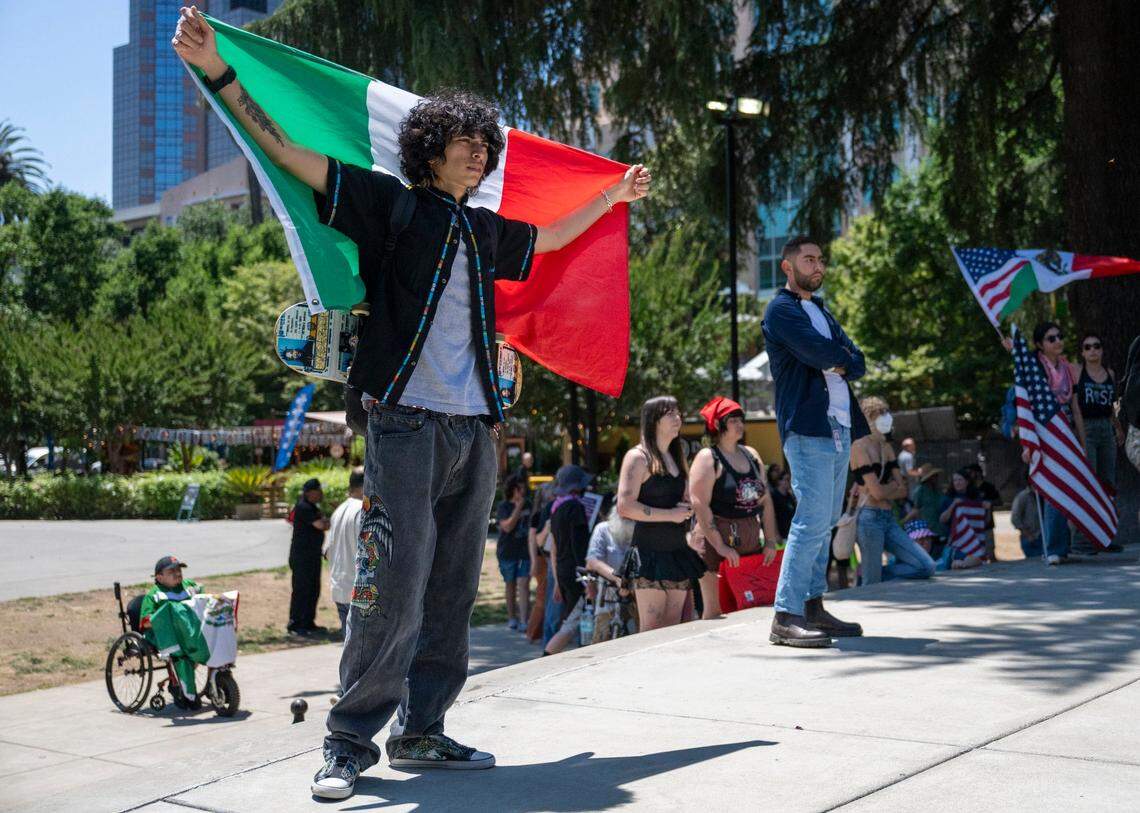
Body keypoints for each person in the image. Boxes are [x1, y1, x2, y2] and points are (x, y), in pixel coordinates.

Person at [172, 7, 652, 798]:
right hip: (402, 420)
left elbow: (554, 239)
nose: (478, 154)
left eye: (483, 146)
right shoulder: (388, 204)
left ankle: (423, 730)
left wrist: (612, 195)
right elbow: (291, 153)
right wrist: (220, 70)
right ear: (430, 148)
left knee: (455, 587)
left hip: (475, 429)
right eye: (466, 143)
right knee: (391, 581)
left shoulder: (483, 227)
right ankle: (348, 742)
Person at [761, 236, 867, 647]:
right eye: (809, 259)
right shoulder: (781, 310)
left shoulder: (821, 310)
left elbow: (856, 359)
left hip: (838, 426)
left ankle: (812, 606)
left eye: (821, 259)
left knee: (825, 521)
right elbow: (818, 352)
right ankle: (785, 616)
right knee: (810, 518)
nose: (818, 265)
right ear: (788, 267)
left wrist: (840, 357)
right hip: (807, 427)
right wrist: (836, 356)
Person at [616, 396, 705, 632]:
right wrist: (670, 514)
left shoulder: (675, 457)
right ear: (654, 420)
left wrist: (688, 506)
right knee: (652, 629)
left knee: (672, 629)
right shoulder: (638, 457)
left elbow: (678, 500)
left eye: (678, 412)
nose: (679, 418)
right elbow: (624, 506)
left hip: (677, 551)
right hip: (649, 554)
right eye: (671, 414)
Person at [689, 396, 779, 619]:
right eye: (733, 420)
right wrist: (720, 547)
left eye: (741, 419)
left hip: (748, 541)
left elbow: (765, 501)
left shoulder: (751, 455)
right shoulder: (708, 457)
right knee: (716, 612)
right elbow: (699, 504)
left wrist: (769, 540)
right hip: (714, 543)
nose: (740, 425)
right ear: (718, 425)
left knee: (752, 605)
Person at [1003, 323, 1083, 564]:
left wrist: (1082, 442)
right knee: (1053, 490)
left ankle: (1063, 546)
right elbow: (1024, 405)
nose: (1058, 341)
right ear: (1039, 344)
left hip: (1067, 433)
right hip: (1045, 434)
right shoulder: (1035, 368)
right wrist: (1028, 444)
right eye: (1051, 338)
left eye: (1060, 336)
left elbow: (1075, 408)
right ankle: (1054, 549)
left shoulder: (1068, 368)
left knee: (1068, 490)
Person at [850, 397, 936, 585]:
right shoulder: (859, 447)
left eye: (885, 413)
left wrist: (884, 489)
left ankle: (874, 574)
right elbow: (878, 493)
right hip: (869, 518)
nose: (886, 418)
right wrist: (890, 488)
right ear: (868, 418)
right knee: (871, 582)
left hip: (888, 517)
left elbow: (902, 490)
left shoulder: (886, 447)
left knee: (926, 566)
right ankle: (869, 577)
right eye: (879, 414)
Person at [1072, 333, 1125, 554]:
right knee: (1087, 484)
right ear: (1082, 352)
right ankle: (1081, 540)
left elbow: (1113, 405)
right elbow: (1075, 407)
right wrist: (1082, 438)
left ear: (1102, 350)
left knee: (1107, 484)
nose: (1093, 350)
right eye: (1088, 347)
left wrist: (1118, 427)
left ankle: (1104, 537)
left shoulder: (1109, 373)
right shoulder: (1077, 372)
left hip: (1106, 428)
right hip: (1087, 428)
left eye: (1097, 346)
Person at [139, 556, 206, 708]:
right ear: (159, 577)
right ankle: (185, 691)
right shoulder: (154, 595)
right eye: (171, 571)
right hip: (163, 635)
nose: (177, 573)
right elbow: (145, 622)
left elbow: (203, 598)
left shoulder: (189, 586)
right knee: (181, 652)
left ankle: (216, 682)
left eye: (179, 569)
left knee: (211, 641)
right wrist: (166, 617)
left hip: (187, 631)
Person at [544, 465, 594, 655]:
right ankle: (547, 657)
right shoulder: (575, 508)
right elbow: (579, 545)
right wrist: (587, 576)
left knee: (573, 618)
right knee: (574, 622)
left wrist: (558, 580)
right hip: (576, 573)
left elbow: (555, 547)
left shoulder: (556, 508)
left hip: (564, 571)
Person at [585, 507, 639, 641]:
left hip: (637, 593)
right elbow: (593, 560)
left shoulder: (641, 530)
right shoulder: (603, 529)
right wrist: (618, 579)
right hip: (608, 592)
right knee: (601, 637)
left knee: (640, 635)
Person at [323, 468, 366, 636]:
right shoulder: (364, 510)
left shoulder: (339, 511)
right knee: (362, 656)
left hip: (340, 589)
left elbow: (327, 552)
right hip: (360, 593)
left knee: (349, 651)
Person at [287, 478, 331, 636]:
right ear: (309, 492)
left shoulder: (312, 507)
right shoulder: (303, 507)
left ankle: (308, 622)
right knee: (301, 590)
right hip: (302, 557)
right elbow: (321, 525)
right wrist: (326, 523)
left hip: (312, 556)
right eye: (318, 491)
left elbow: (324, 524)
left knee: (313, 589)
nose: (321, 494)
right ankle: (295, 623)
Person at [495, 475, 531, 631]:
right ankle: (512, 618)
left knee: (524, 584)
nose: (523, 491)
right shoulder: (503, 506)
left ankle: (524, 620)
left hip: (525, 552)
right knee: (510, 585)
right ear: (513, 489)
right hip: (507, 551)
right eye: (520, 488)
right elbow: (507, 527)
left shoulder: (529, 504)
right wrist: (518, 507)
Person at [904, 466, 948, 553]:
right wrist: (905, 522)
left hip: (940, 527)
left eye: (936, 476)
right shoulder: (920, 491)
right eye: (934, 476)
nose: (936, 478)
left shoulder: (938, 491)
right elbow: (915, 509)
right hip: (927, 527)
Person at [965, 463, 1002, 561]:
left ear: (977, 473)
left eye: (971, 473)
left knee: (990, 551)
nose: (969, 475)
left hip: (987, 523)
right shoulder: (968, 488)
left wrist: (990, 502)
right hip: (973, 525)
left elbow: (999, 501)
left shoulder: (988, 487)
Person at [1010, 485, 1043, 559]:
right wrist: (1028, 535)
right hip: (1030, 537)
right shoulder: (1023, 496)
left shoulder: (1043, 496)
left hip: (1043, 536)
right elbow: (1015, 518)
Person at [766, 463, 796, 543]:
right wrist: (775, 534)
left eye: (789, 479)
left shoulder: (790, 496)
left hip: (790, 534)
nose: (789, 482)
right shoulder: (774, 496)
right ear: (779, 481)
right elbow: (771, 516)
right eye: (786, 479)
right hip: (780, 536)